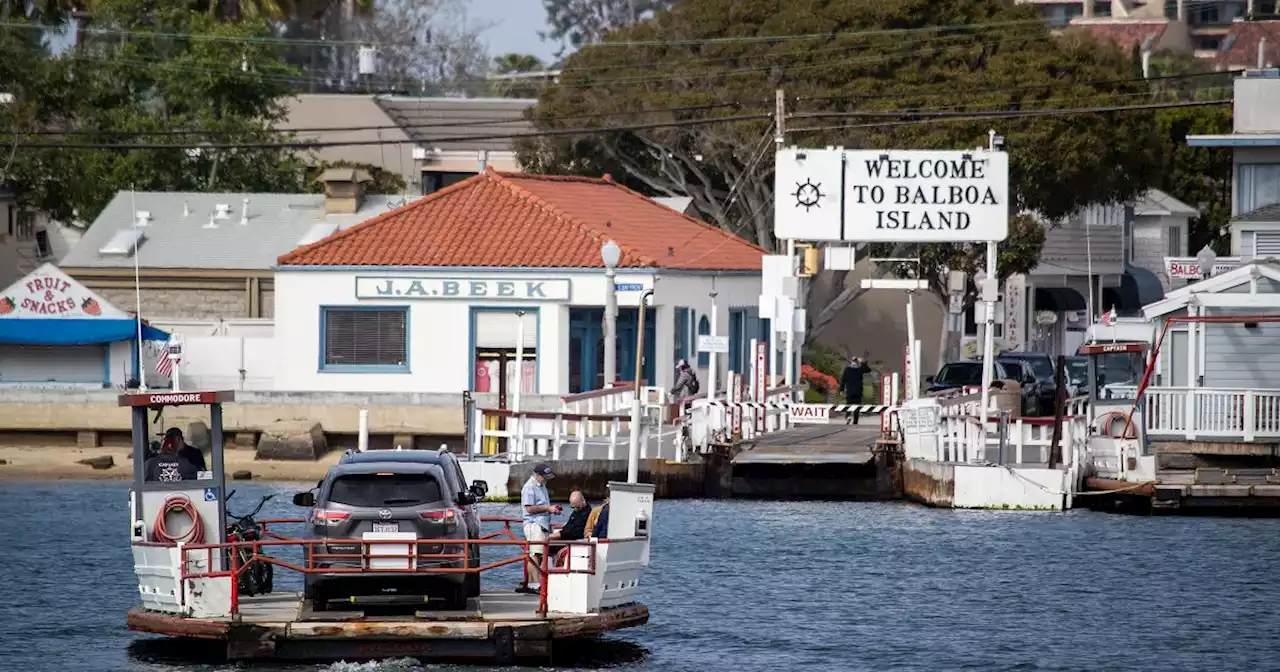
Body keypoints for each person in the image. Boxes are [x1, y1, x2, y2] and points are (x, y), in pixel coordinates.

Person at [517, 462, 561, 595]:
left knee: (536, 554)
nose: (546, 479)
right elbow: (529, 508)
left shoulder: (541, 486)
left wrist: (550, 510)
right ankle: (535, 585)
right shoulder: (529, 487)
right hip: (534, 524)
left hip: (541, 524)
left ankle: (532, 583)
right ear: (538, 475)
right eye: (544, 476)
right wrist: (548, 508)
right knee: (535, 554)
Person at [840, 356, 873, 425]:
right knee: (857, 406)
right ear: (857, 362)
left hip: (850, 391)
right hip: (858, 391)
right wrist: (862, 362)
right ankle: (855, 422)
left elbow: (843, 380)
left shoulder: (847, 369)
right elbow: (868, 370)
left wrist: (841, 390)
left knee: (848, 404)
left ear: (851, 362)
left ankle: (848, 416)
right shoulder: (860, 369)